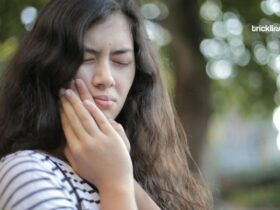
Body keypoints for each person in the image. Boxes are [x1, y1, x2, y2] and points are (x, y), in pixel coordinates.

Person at [0, 0, 211, 209]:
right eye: (86, 58)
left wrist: (123, 175)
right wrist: (114, 185)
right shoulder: (27, 172)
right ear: (48, 66)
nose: (105, 78)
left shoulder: (137, 175)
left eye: (121, 62)